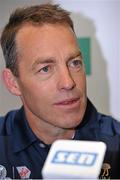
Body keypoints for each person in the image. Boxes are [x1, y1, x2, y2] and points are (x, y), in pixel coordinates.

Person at [0, 3, 120, 179]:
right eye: (46, 69)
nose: (68, 82)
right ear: (13, 83)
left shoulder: (116, 145)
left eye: (74, 63)